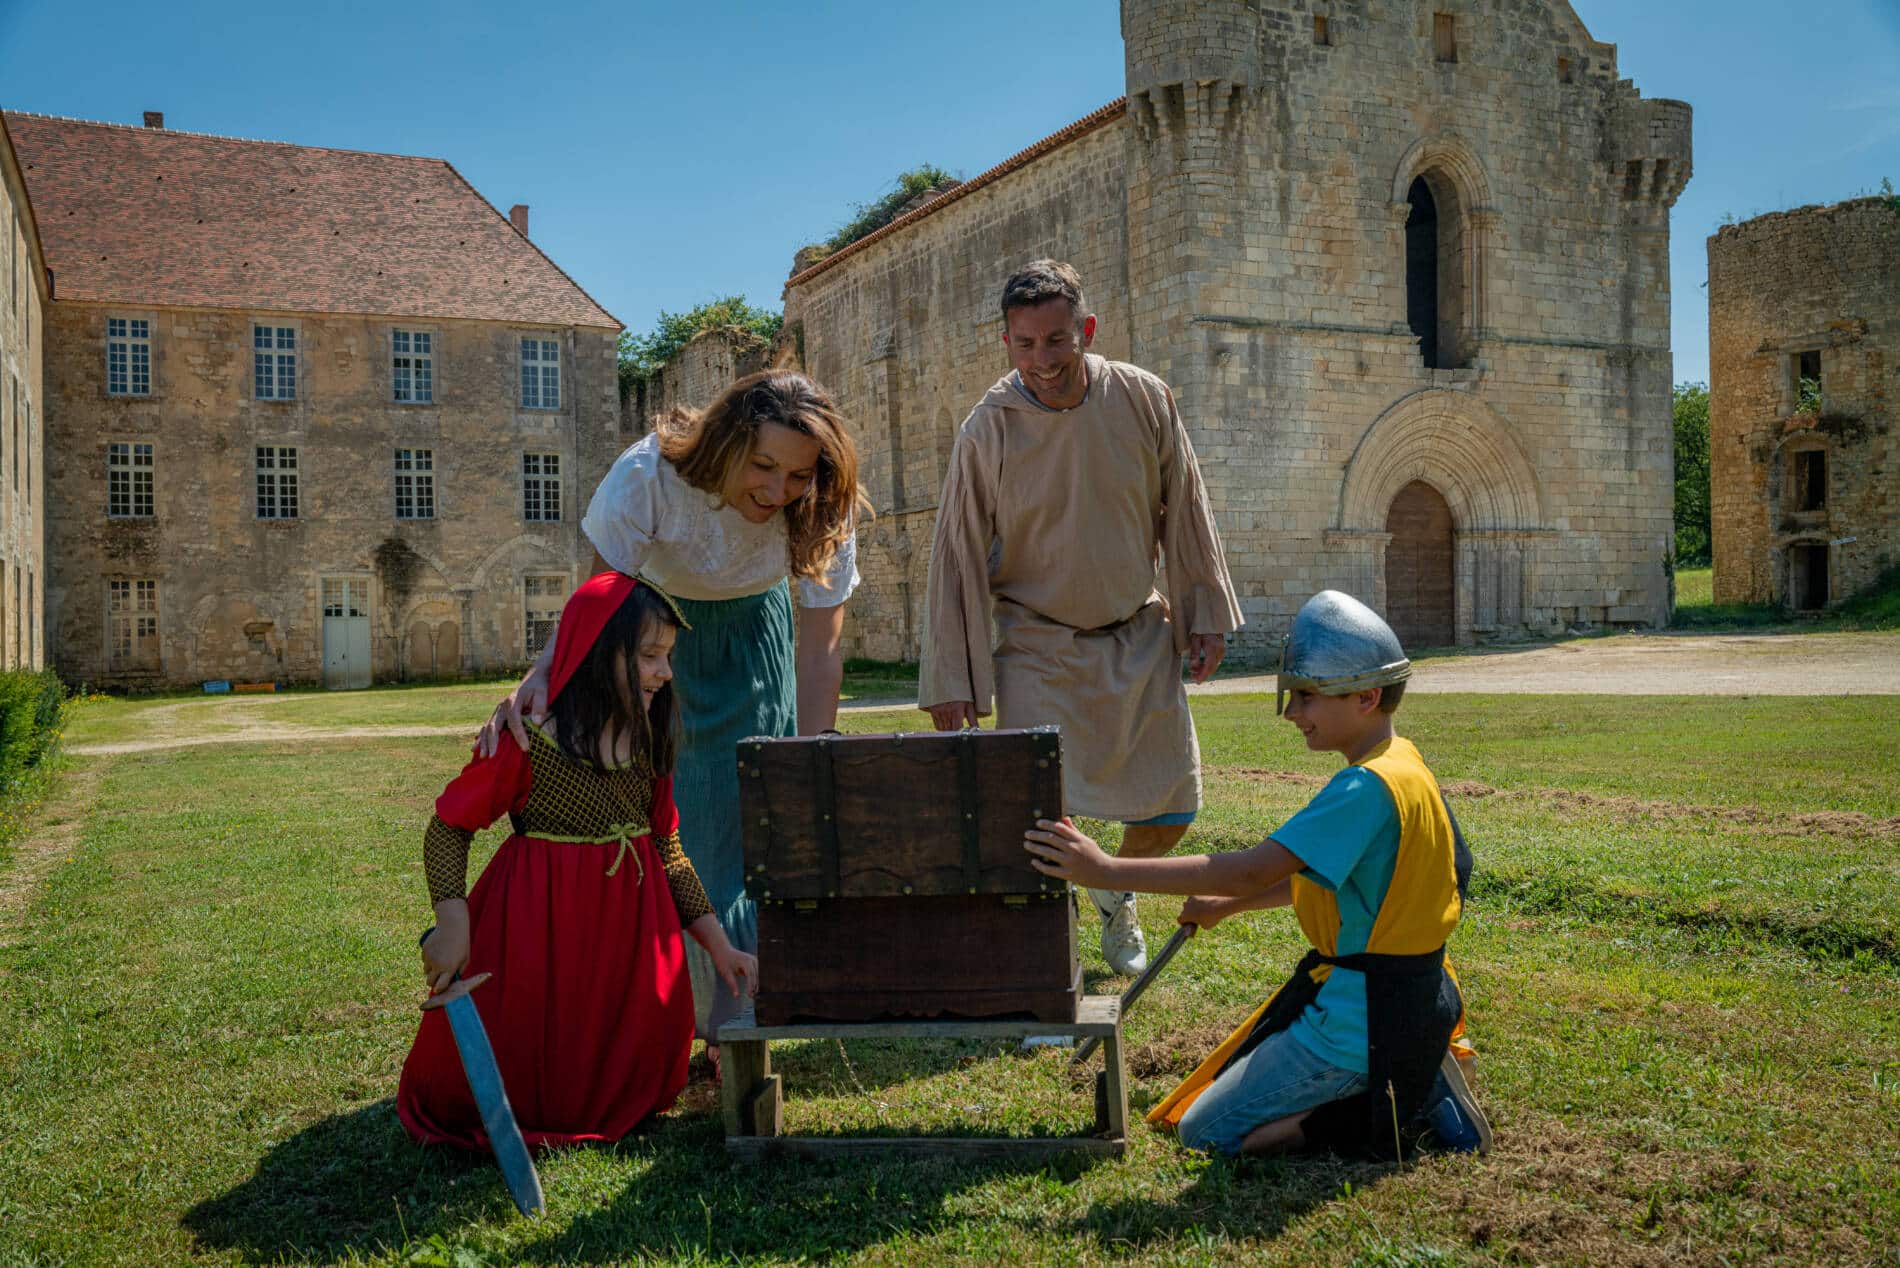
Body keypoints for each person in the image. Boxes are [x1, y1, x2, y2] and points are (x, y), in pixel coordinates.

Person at [480, 370, 869, 1067]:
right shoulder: (649, 476)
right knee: (662, 828)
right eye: (763, 466)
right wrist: (541, 676)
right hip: (655, 648)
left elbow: (823, 647)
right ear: (725, 444)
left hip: (755, 649)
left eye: (798, 475)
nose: (778, 491)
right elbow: (602, 600)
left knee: (742, 831)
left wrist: (812, 756)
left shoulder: (822, 506)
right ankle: (652, 1016)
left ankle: (731, 1025)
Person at [1022, 590, 1492, 1158]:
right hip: (1411, 997)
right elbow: (1335, 881)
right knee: (1214, 1102)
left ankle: (1393, 1108)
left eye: (1307, 697)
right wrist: (1227, 907)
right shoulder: (1402, 763)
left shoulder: (1363, 787)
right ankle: (1400, 1077)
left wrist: (1103, 867)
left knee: (1205, 1132)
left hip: (1359, 1023)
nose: (1293, 713)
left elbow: (1250, 869)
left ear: (1367, 697)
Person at [922, 259, 1242, 975]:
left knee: (1169, 813)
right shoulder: (988, 427)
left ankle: (1112, 893)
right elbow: (957, 553)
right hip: (1037, 643)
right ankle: (1044, 948)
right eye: (1025, 344)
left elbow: (1185, 509)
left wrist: (1205, 615)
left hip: (1136, 633)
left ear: (1086, 331)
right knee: (1035, 816)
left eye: (1057, 341)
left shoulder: (1144, 397)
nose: (1042, 360)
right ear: (1006, 341)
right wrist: (954, 677)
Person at [398, 573, 757, 1149]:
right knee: (530, 1073)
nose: (665, 673)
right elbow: (449, 826)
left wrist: (720, 947)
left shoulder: (649, 740)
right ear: (596, 653)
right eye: (649, 656)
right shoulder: (528, 741)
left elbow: (667, 850)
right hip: (542, 934)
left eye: (668, 657)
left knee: (625, 1078)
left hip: (628, 942)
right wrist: (452, 921)